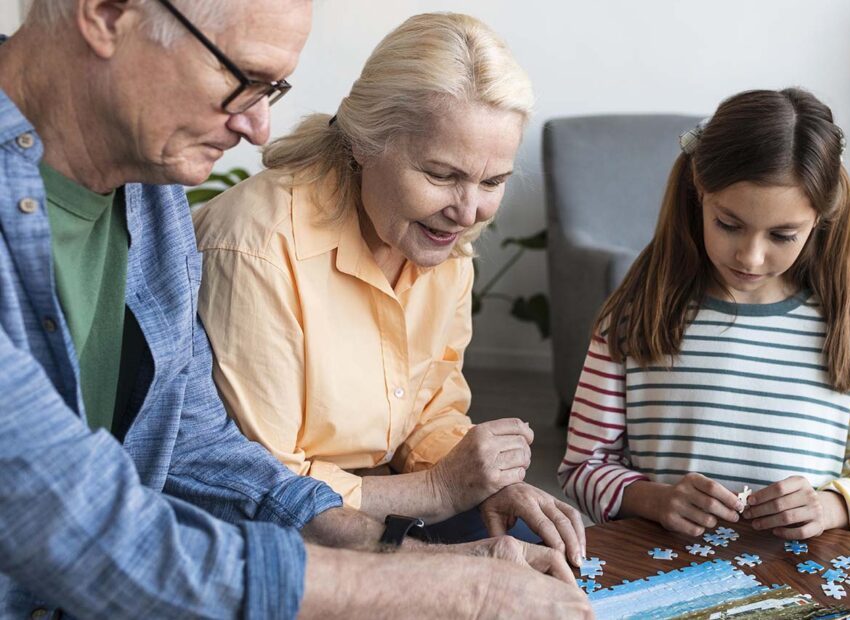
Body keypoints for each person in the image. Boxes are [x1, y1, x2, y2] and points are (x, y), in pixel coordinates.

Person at [0, 1, 592, 618]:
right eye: (242, 79)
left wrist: (410, 550)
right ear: (106, 14)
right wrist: (446, 583)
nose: (259, 128)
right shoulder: (246, 234)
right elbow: (85, 530)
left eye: (271, 90)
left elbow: (203, 452)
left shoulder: (153, 201)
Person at [193, 11, 587, 564]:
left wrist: (490, 482)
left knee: (545, 557)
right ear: (363, 143)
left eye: (493, 181)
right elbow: (263, 489)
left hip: (387, 494)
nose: (468, 211)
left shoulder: (444, 236)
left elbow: (430, 410)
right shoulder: (256, 244)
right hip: (272, 533)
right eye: (442, 174)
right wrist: (439, 491)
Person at [558, 88, 850, 541]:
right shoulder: (633, 317)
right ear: (697, 193)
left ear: (819, 220)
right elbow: (583, 467)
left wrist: (828, 507)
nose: (751, 256)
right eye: (729, 225)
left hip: (803, 586)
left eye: (782, 235)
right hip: (661, 581)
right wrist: (656, 500)